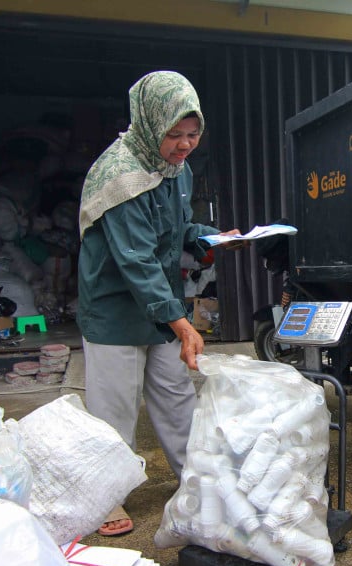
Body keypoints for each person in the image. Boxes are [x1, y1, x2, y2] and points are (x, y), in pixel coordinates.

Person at [76, 71, 240, 536]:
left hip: (159, 305)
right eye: (175, 135)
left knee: (175, 396)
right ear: (150, 125)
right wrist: (183, 323)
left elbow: (174, 235)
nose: (185, 145)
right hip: (115, 310)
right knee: (114, 410)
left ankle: (196, 480)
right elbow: (136, 259)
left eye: (193, 134)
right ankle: (107, 496)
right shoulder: (120, 175)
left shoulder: (176, 170)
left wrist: (213, 239)